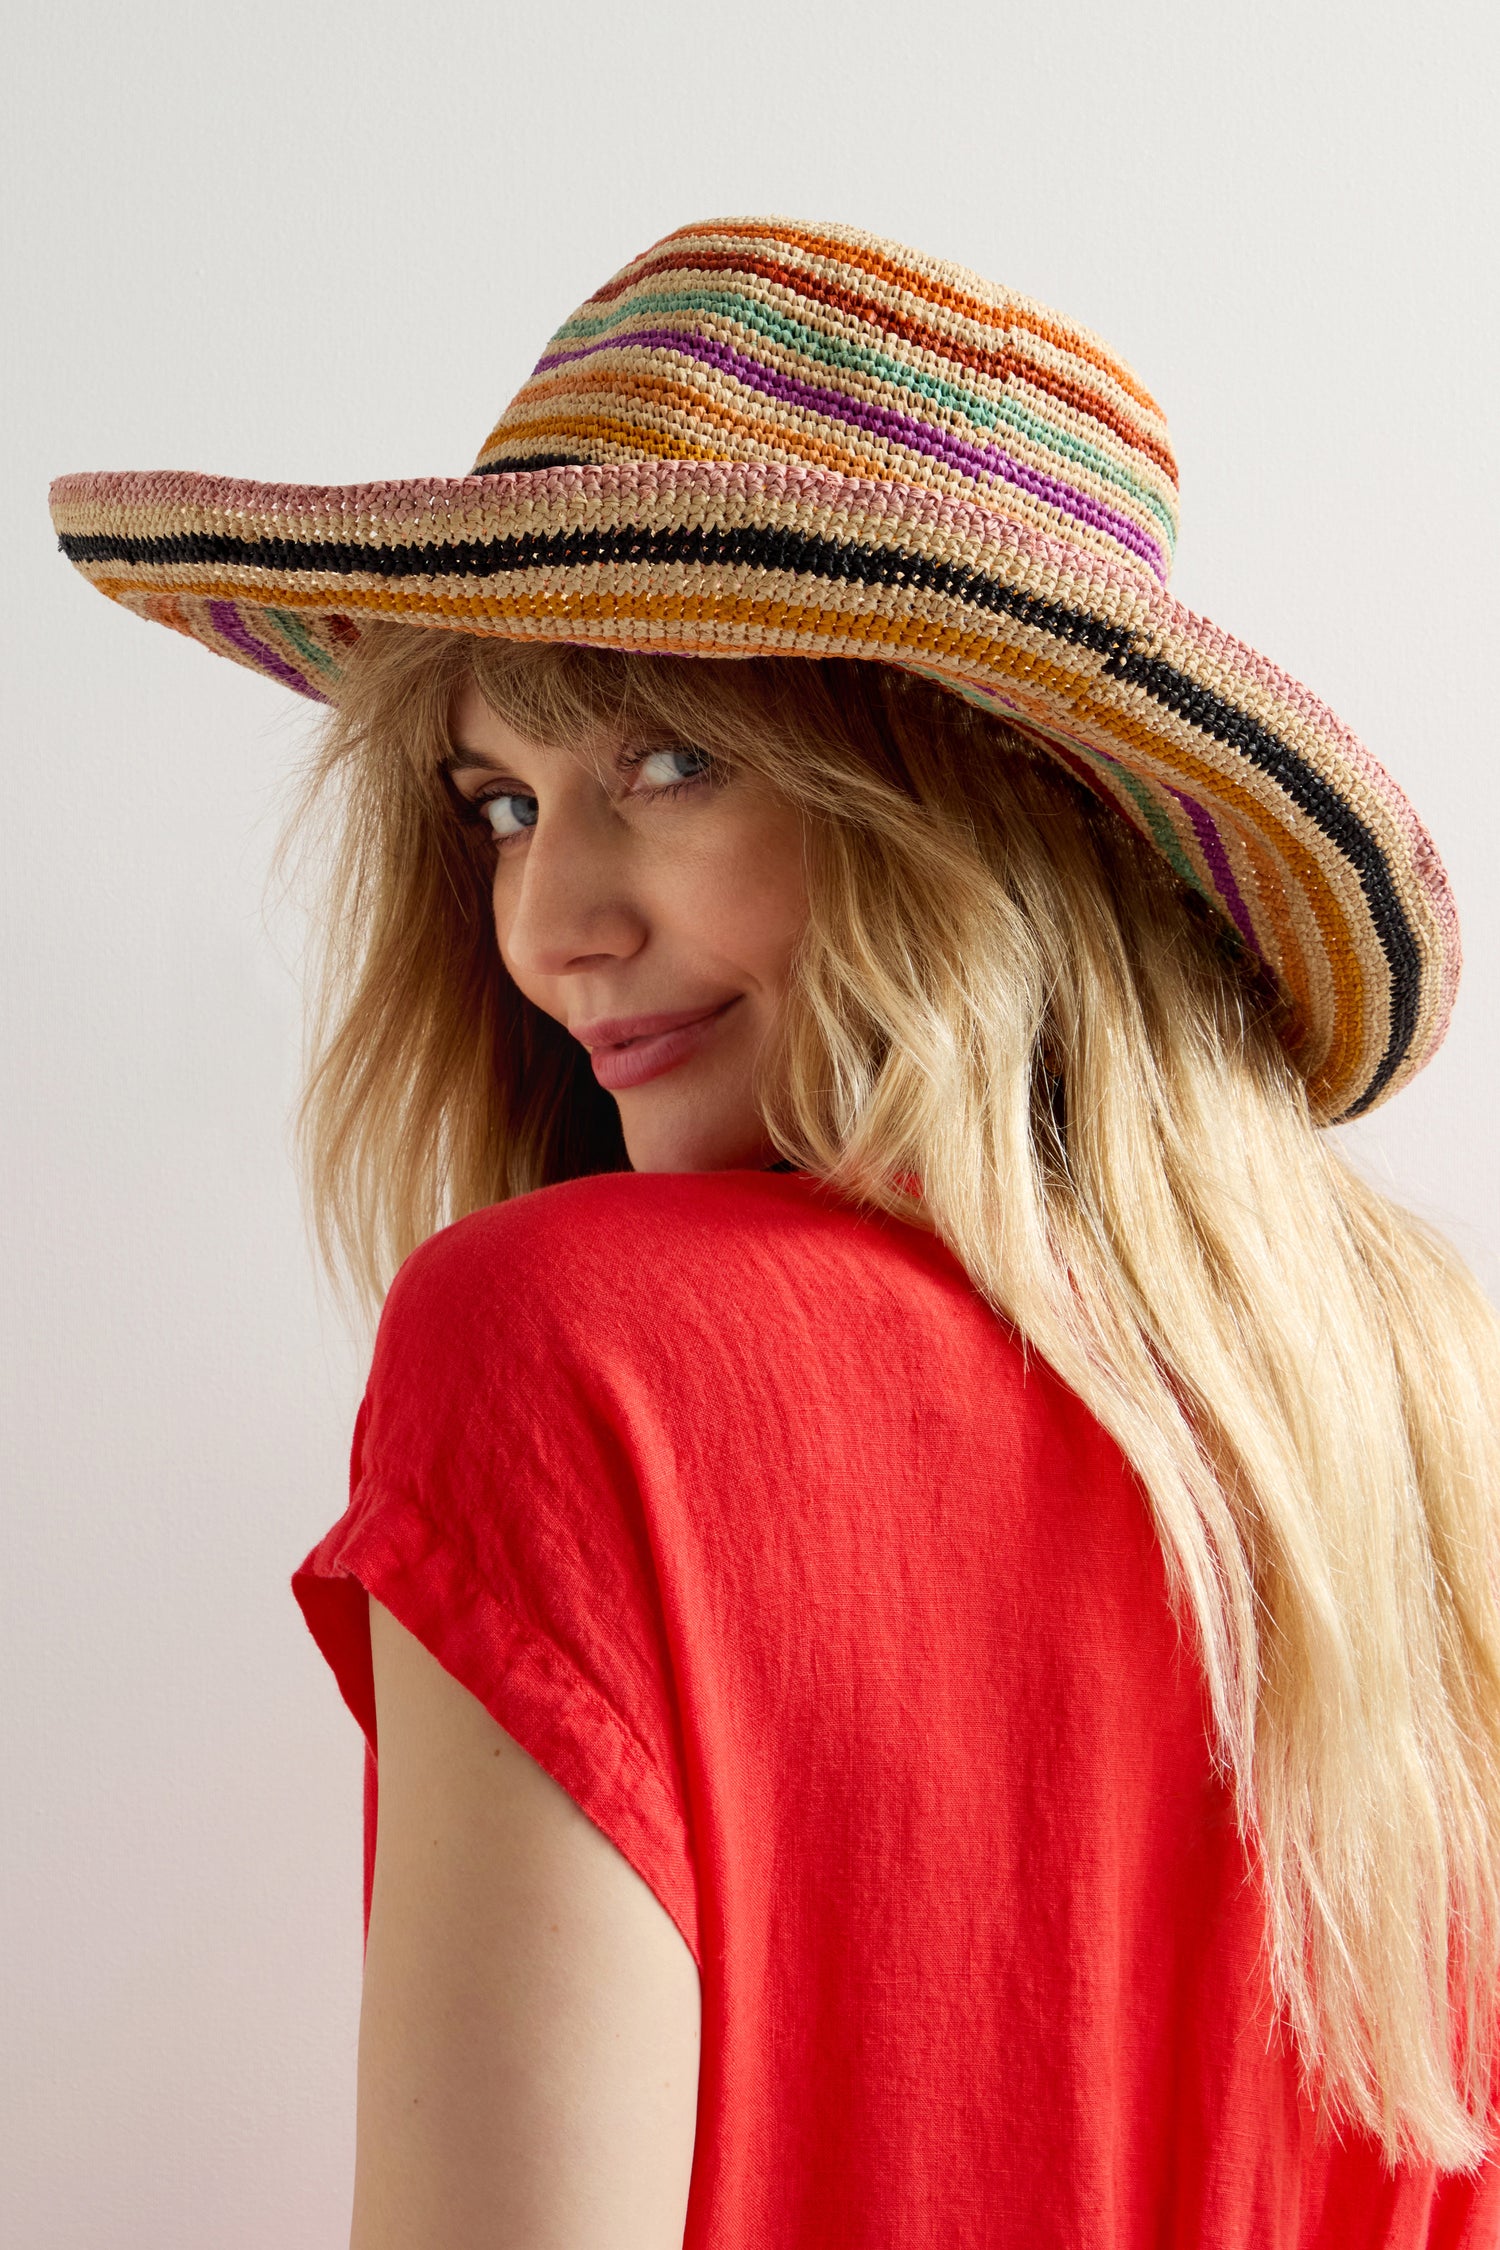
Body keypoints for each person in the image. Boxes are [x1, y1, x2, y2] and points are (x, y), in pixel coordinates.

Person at [51, 216, 1500, 2248]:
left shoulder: (571, 1350)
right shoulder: (1420, 1421)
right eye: (499, 804)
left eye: (671, 758)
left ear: (988, 804)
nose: (552, 925)